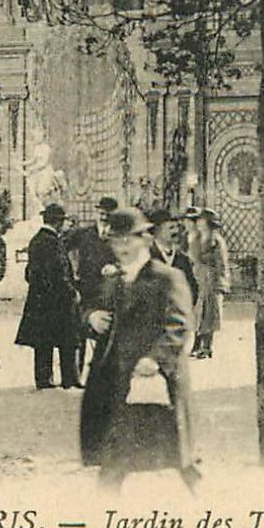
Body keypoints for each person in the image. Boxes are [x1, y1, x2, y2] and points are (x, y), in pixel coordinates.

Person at [79, 207, 200, 491]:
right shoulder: (113, 281)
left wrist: (155, 359)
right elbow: (88, 309)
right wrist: (91, 319)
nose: (121, 247)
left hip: (156, 384)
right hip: (117, 386)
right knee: (112, 464)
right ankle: (104, 516)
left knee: (180, 461)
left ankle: (206, 508)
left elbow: (180, 325)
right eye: (115, 240)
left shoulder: (167, 278)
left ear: (145, 239)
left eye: (128, 239)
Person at [16, 203, 82, 390]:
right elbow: (58, 272)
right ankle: (69, 379)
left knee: (42, 341)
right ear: (58, 222)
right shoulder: (52, 242)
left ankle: (43, 379)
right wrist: (71, 291)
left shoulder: (37, 240)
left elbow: (29, 273)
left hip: (40, 300)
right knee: (67, 340)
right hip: (58, 299)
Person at [73, 197, 120, 382]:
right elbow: (61, 249)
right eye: (101, 212)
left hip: (111, 294)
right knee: (80, 334)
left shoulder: (121, 237)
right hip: (86, 291)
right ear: (96, 213)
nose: (104, 216)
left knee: (109, 335)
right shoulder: (83, 234)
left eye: (108, 213)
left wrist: (117, 267)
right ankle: (76, 376)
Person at [189, 208, 230, 360]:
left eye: (202, 220)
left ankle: (207, 347)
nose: (199, 223)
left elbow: (222, 263)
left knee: (210, 314)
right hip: (200, 278)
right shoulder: (197, 238)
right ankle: (198, 345)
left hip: (212, 280)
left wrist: (221, 282)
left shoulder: (216, 241)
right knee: (199, 313)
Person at [149, 208, 199, 304]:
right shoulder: (147, 256)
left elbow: (192, 289)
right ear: (157, 230)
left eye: (177, 227)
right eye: (171, 228)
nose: (176, 231)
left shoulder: (183, 259)